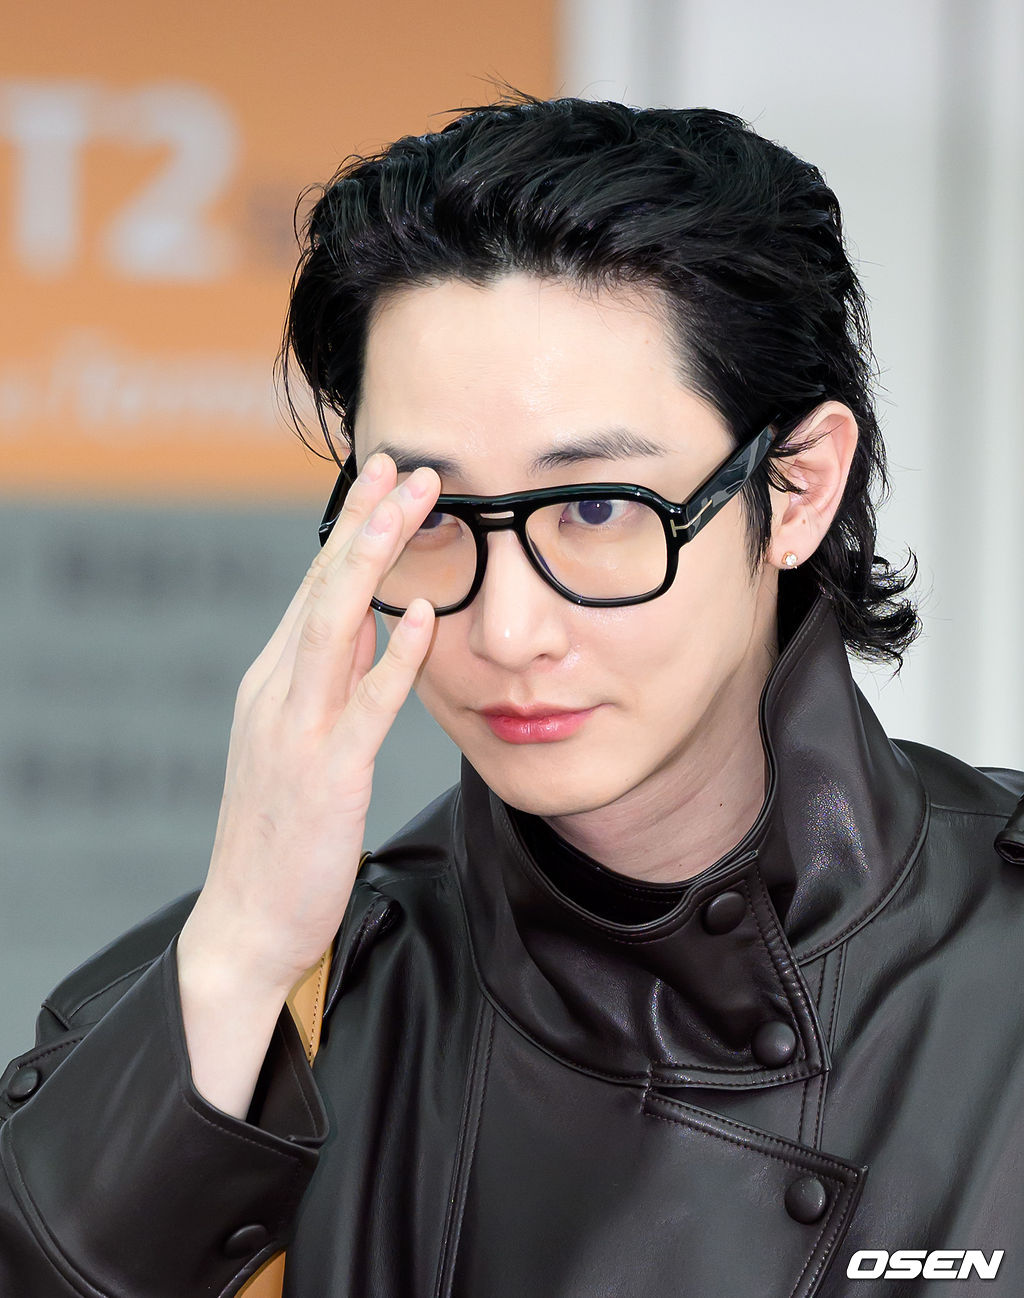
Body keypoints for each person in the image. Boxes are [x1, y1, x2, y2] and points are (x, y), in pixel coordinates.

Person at [1, 92, 1022, 1298]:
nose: (506, 629)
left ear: (795, 487)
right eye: (431, 515)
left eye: (594, 507)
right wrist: (240, 956)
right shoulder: (258, 1010)